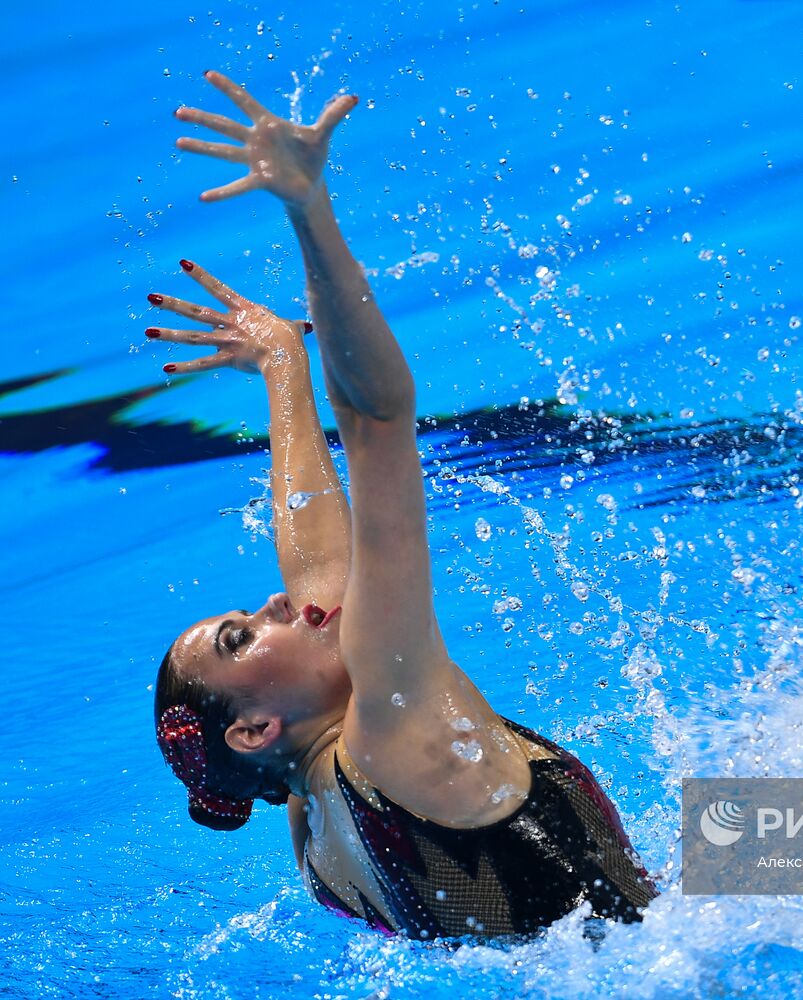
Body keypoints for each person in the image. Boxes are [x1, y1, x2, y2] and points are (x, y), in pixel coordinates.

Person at [148, 71, 657, 940]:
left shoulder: (316, 841)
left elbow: (315, 559)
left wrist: (281, 367)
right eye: (242, 637)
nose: (274, 603)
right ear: (255, 728)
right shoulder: (392, 716)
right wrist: (309, 209)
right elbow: (379, 424)